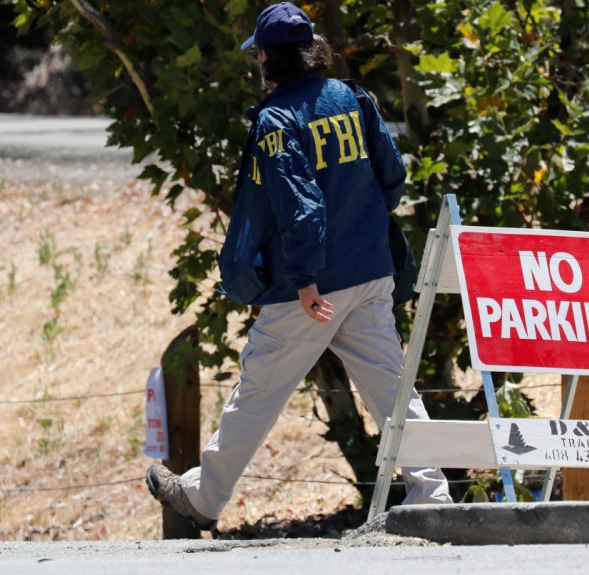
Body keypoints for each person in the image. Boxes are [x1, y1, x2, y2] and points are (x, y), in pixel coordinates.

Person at [145, 1, 452, 532]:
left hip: (310, 290)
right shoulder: (353, 98)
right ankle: (434, 499)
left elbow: (299, 204)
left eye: (258, 54)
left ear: (267, 57)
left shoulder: (276, 119)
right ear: (310, 50)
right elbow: (393, 176)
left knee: (258, 391)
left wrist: (306, 279)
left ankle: (202, 497)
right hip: (371, 270)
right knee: (392, 390)